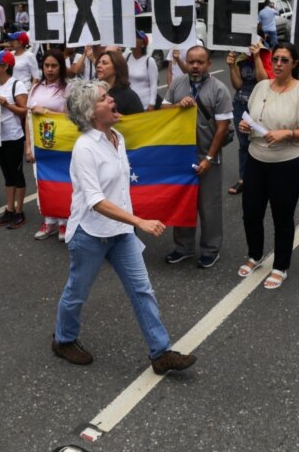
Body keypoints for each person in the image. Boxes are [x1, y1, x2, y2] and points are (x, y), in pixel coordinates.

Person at [51, 79, 197, 375]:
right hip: (90, 235)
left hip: (120, 234)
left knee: (142, 290)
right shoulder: (85, 148)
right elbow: (95, 200)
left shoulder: (117, 136)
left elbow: (120, 189)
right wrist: (139, 221)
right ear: (92, 112)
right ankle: (63, 339)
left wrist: (130, 224)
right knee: (77, 292)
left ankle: (160, 352)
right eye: (105, 98)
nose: (112, 100)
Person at [236, 43, 299, 290]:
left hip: (288, 163)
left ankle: (280, 266)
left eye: (284, 60)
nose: (279, 64)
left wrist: (288, 133)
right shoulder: (262, 86)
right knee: (251, 212)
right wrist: (245, 127)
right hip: (256, 158)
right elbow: (252, 117)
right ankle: (255, 254)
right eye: (276, 59)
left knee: (282, 216)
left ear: (294, 63)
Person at [160, 45, 233, 268]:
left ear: (209, 64)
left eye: (200, 62)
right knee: (183, 202)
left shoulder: (219, 89)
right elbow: (162, 112)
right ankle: (184, 247)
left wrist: (209, 159)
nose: (194, 66)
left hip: (207, 155)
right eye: (191, 61)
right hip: (182, 155)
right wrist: (177, 106)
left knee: (208, 205)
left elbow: (222, 128)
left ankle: (211, 249)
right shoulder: (177, 84)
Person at [25, 50, 70, 240]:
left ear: (61, 67)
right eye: (46, 66)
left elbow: (72, 118)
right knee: (42, 182)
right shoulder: (35, 88)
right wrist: (28, 145)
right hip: (40, 144)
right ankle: (49, 221)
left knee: (61, 182)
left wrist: (46, 111)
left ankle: (65, 222)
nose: (50, 70)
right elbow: (28, 118)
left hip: (59, 145)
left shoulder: (67, 89)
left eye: (54, 66)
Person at [0, 50, 29, 228]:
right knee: (7, 175)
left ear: (5, 66)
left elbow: (25, 110)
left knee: (17, 175)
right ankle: (9, 210)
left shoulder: (16, 85)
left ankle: (19, 211)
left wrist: (7, 105)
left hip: (13, 136)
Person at [225, 41, 270, 196]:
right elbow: (238, 85)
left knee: (261, 141)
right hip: (241, 105)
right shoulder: (240, 58)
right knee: (244, 143)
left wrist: (257, 57)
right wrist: (231, 67)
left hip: (260, 107)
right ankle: (243, 179)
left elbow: (264, 82)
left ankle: (263, 178)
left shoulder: (268, 56)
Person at [96, 50, 144, 115]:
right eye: (98, 62)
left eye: (104, 63)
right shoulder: (94, 91)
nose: (99, 65)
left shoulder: (129, 96)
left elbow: (139, 122)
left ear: (116, 68)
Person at [125, 31, 158, 110]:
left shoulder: (149, 61)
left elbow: (154, 84)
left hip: (144, 104)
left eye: (137, 38)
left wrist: (152, 104)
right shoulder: (126, 57)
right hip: (128, 103)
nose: (133, 39)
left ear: (143, 44)